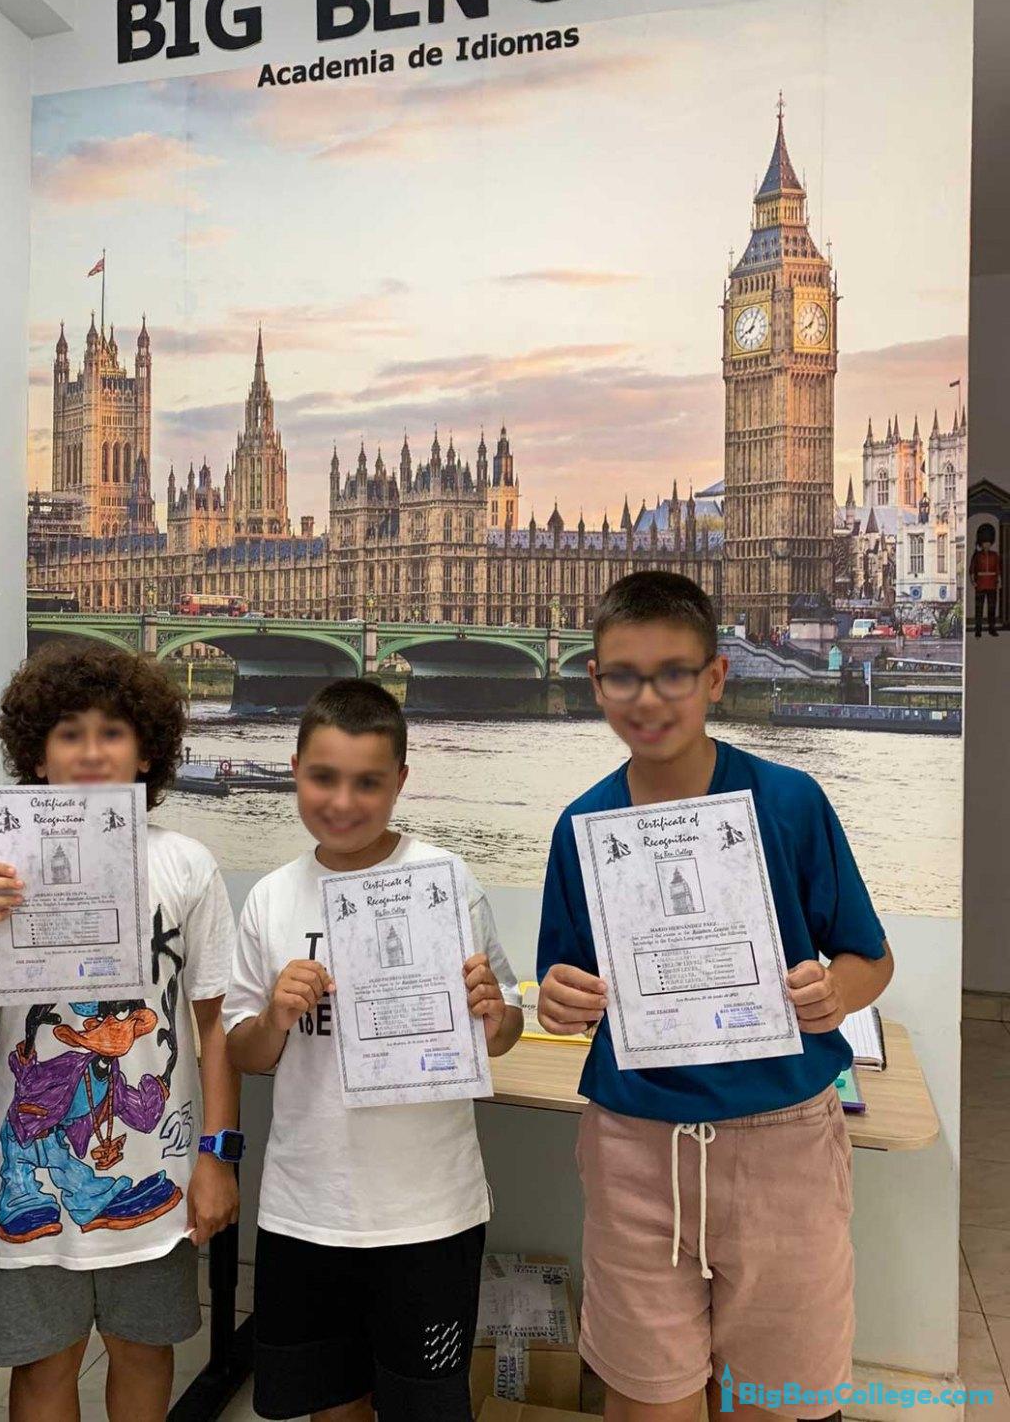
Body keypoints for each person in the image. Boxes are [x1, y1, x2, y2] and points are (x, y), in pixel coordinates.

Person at [536, 573, 894, 1422]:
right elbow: (564, 986)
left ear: (716, 678)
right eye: (625, 676)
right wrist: (559, 999)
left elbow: (870, 960)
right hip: (634, 1148)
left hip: (782, 1146)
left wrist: (833, 991)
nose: (648, 698)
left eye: (673, 673)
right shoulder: (581, 825)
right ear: (596, 683)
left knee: (775, 1401)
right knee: (646, 1400)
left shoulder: (790, 801)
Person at [0, 642, 241, 1422]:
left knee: (144, 1355)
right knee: (42, 1368)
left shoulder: (188, 866)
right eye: (69, 733)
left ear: (148, 750)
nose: (92, 752)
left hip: (158, 1175)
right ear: (37, 753)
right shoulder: (2, 873)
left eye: (113, 732)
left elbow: (214, 1027)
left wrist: (216, 1157)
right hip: (29, 1182)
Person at [224, 678, 523, 1422]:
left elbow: (507, 1027)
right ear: (294, 771)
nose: (342, 802)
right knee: (331, 1405)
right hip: (307, 1208)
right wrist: (275, 1016)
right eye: (323, 777)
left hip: (429, 1212)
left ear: (400, 782)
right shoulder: (271, 898)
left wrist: (492, 1014)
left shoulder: (445, 881)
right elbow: (245, 1053)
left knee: (425, 1406)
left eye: (368, 783)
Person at [970, 523, 1001, 638]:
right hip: (980, 585)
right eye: (984, 542)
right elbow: (972, 570)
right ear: (981, 543)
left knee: (991, 609)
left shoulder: (995, 555)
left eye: (988, 542)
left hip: (992, 584)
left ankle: (992, 629)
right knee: (979, 609)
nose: (987, 545)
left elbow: (997, 569)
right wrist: (973, 581)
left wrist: (999, 581)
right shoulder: (977, 556)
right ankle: (978, 630)